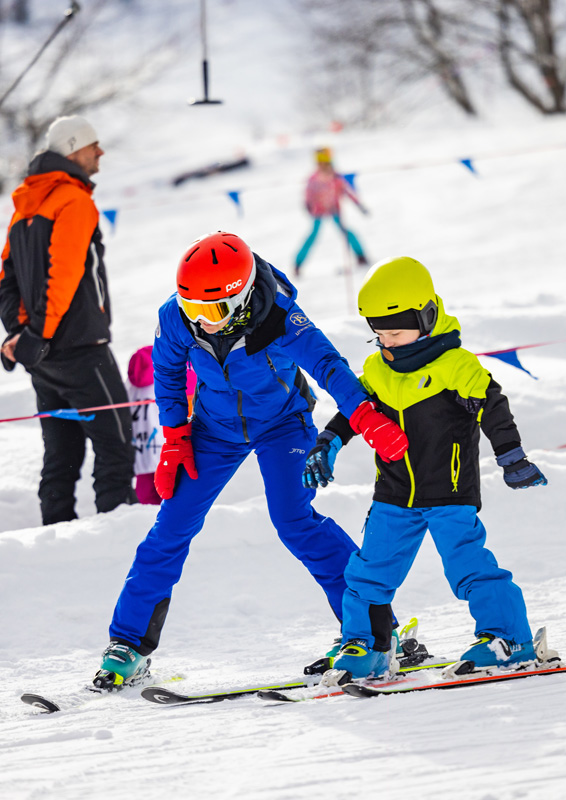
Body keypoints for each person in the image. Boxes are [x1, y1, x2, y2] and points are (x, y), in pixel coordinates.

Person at [94, 231, 410, 690]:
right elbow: (165, 371)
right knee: (171, 527)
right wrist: (176, 434)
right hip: (213, 430)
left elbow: (329, 367)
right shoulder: (177, 317)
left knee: (294, 521)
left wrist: (365, 416)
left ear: (241, 299)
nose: (202, 322)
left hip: (282, 423)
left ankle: (373, 632)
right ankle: (128, 644)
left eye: (213, 311)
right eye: (192, 310)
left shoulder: (280, 317)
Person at [302, 256, 554, 682]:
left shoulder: (456, 366)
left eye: (396, 333)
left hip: (449, 492)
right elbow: (355, 412)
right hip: (394, 495)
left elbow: (494, 409)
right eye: (379, 335)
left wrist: (512, 457)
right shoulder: (378, 369)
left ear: (427, 317)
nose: (387, 344)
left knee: (469, 565)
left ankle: (508, 639)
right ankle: (370, 646)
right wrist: (328, 442)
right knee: (368, 571)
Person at [0, 115, 136, 525]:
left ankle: (55, 540)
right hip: (81, 350)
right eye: (95, 145)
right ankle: (116, 533)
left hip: (44, 357)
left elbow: (8, 281)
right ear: (74, 149)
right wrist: (37, 333)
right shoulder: (74, 201)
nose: (101, 152)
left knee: (61, 455)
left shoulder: (25, 204)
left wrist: (22, 335)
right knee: (116, 444)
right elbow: (65, 274)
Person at [293, 148, 368, 276]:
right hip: (319, 211)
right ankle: (298, 263)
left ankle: (361, 255)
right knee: (313, 236)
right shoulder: (313, 179)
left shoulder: (336, 177)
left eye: (326, 164)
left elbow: (347, 191)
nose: (323, 167)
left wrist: (359, 204)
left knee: (346, 232)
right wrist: (308, 204)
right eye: (321, 164)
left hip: (334, 210)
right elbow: (308, 193)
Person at [127, 346, 164, 506]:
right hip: (168, 451)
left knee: (145, 503)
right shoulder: (172, 376)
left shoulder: (130, 386)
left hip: (141, 451)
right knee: (175, 501)